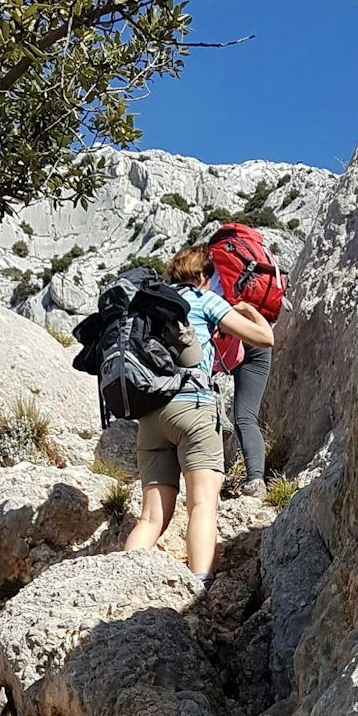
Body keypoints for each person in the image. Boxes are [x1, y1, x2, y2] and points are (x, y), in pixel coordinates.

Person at [123, 245, 274, 584]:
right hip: (193, 408)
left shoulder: (148, 305)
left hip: (150, 414)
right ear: (204, 275)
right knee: (202, 504)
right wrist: (248, 309)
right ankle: (199, 587)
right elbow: (265, 338)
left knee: (151, 518)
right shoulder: (204, 299)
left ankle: (122, 582)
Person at [231, 335, 273, 498]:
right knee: (246, 418)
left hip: (222, 337)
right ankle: (256, 481)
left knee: (196, 397)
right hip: (256, 339)